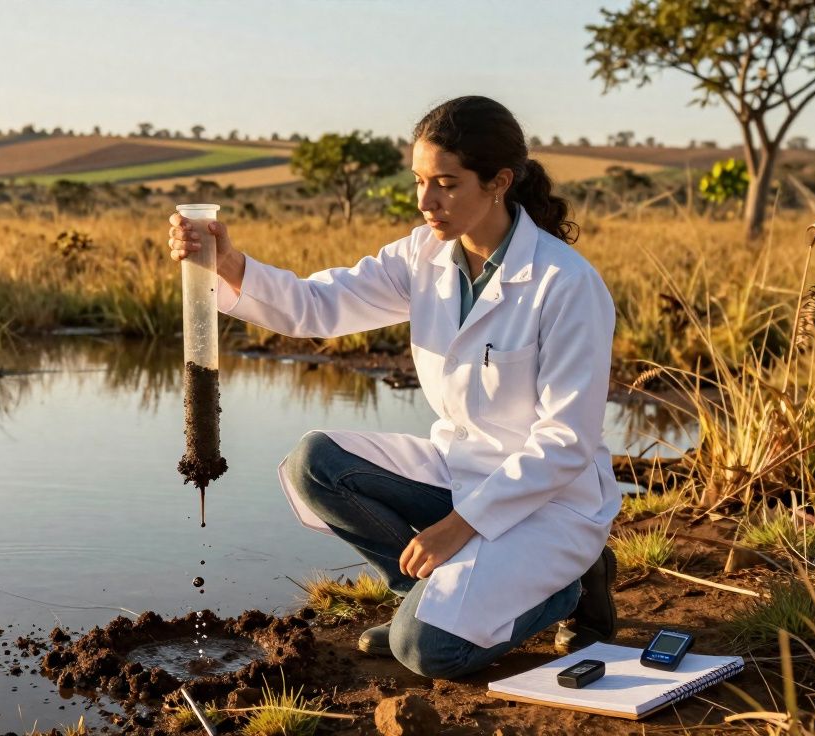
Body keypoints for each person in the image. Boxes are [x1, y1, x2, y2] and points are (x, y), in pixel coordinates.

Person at [166, 96, 620, 680]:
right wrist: (230, 264)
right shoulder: (423, 253)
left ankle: (573, 587)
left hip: (548, 502)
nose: (426, 202)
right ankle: (428, 598)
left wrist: (459, 527)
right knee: (316, 465)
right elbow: (319, 306)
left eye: (447, 184)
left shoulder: (565, 284)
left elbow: (564, 442)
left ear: (499, 182)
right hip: (459, 471)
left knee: (428, 653)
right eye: (419, 181)